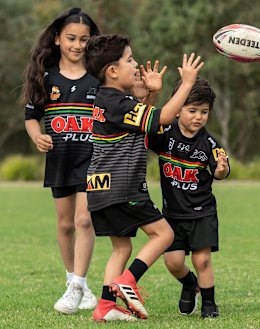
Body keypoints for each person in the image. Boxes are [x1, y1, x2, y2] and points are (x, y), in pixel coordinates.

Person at [84, 34, 204, 322]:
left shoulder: (107, 99)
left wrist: (150, 94)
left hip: (99, 188)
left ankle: (105, 306)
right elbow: (160, 120)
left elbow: (142, 125)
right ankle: (128, 281)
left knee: (122, 246)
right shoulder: (119, 103)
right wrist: (187, 83)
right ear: (112, 71)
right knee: (164, 234)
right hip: (123, 187)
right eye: (129, 59)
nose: (135, 64)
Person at [22, 7, 100, 314]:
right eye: (71, 38)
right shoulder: (45, 77)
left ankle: (78, 284)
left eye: (84, 39)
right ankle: (75, 283)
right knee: (66, 224)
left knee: (84, 219)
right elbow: (31, 117)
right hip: (60, 160)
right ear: (57, 39)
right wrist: (36, 136)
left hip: (92, 160)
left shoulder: (99, 76)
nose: (78, 45)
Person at [146, 77, 229, 318]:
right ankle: (189, 284)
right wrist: (151, 95)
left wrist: (221, 169)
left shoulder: (210, 143)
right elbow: (147, 128)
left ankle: (210, 306)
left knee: (202, 260)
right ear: (178, 107)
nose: (198, 117)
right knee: (172, 262)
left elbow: (220, 171)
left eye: (204, 112)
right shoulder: (165, 135)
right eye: (192, 110)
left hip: (202, 212)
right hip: (172, 215)